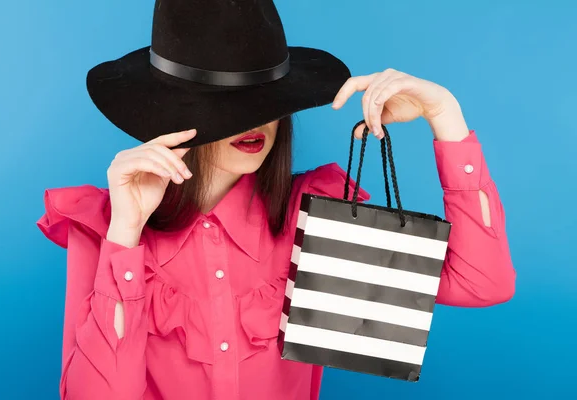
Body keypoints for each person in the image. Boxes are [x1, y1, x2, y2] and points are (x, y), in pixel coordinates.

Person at [36, 0, 516, 399]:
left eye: (266, 103)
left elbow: (481, 284)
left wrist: (445, 117)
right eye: (227, 107)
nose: (254, 123)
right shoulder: (105, 228)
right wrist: (125, 233)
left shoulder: (307, 215)